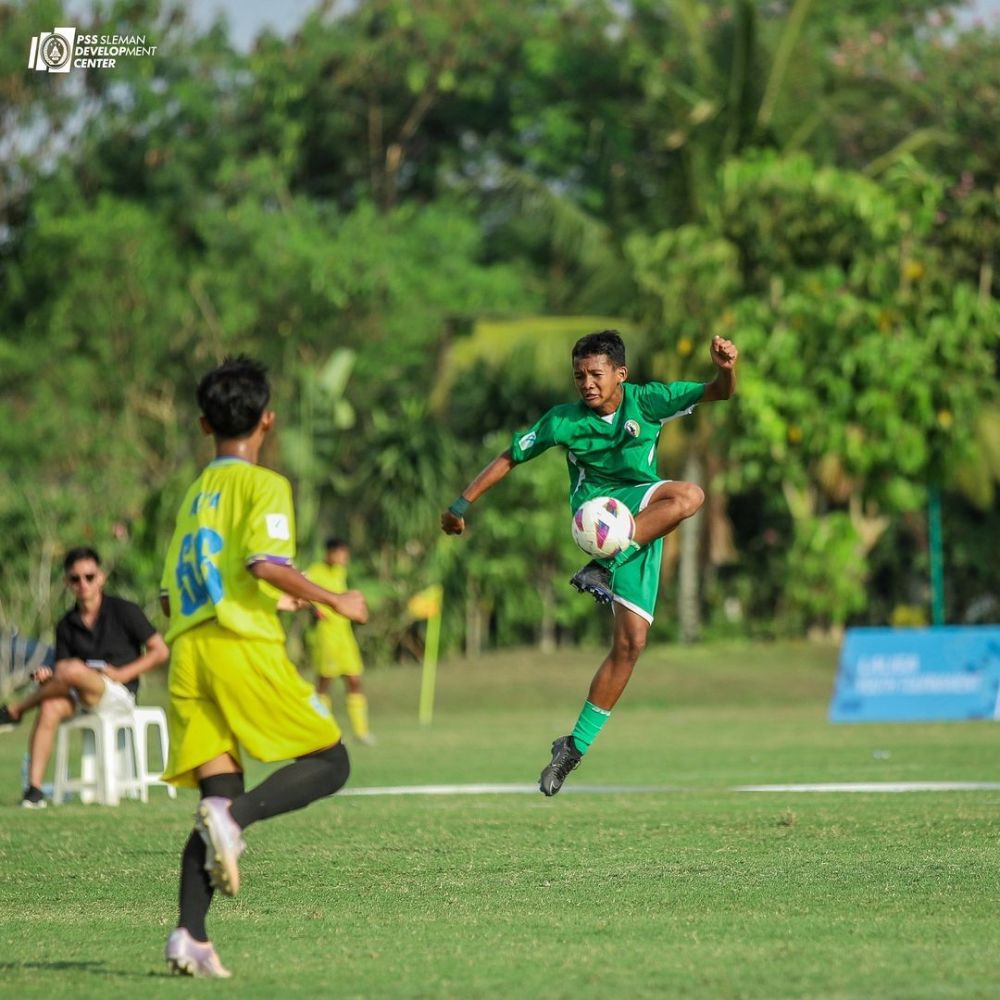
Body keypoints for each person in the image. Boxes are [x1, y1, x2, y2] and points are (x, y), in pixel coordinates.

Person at [441, 331, 738, 796]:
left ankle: (571, 747)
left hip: (642, 517)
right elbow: (509, 456)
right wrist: (461, 504)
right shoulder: (564, 421)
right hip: (598, 515)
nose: (586, 383)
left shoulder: (649, 400)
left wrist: (725, 368)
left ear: (621, 374)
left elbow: (718, 392)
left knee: (632, 644)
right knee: (689, 496)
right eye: (578, 374)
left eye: (595, 374)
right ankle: (606, 559)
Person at [159, 355, 367, 979]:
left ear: (203, 425)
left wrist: (272, 594)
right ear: (268, 421)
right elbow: (262, 563)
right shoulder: (264, 485)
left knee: (216, 796)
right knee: (331, 760)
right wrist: (331, 597)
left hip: (187, 655)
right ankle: (235, 821)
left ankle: (189, 937)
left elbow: (171, 594)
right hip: (235, 648)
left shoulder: (196, 496)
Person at [0, 547, 168, 808]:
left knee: (72, 668)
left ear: (101, 577)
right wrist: (47, 679)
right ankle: (33, 790)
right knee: (50, 705)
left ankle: (16, 709)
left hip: (119, 693)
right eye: (75, 579)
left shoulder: (124, 610)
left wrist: (123, 673)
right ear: (67, 582)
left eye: (89, 577)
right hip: (81, 694)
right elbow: (61, 676)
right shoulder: (66, 624)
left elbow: (160, 651)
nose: (83, 584)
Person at [304, 538, 375, 745]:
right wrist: (313, 609)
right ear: (329, 552)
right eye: (341, 553)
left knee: (354, 680)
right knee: (325, 683)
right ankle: (325, 733)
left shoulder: (340, 572)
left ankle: (361, 732)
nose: (344, 558)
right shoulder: (315, 571)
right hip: (326, 635)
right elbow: (300, 590)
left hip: (345, 635)